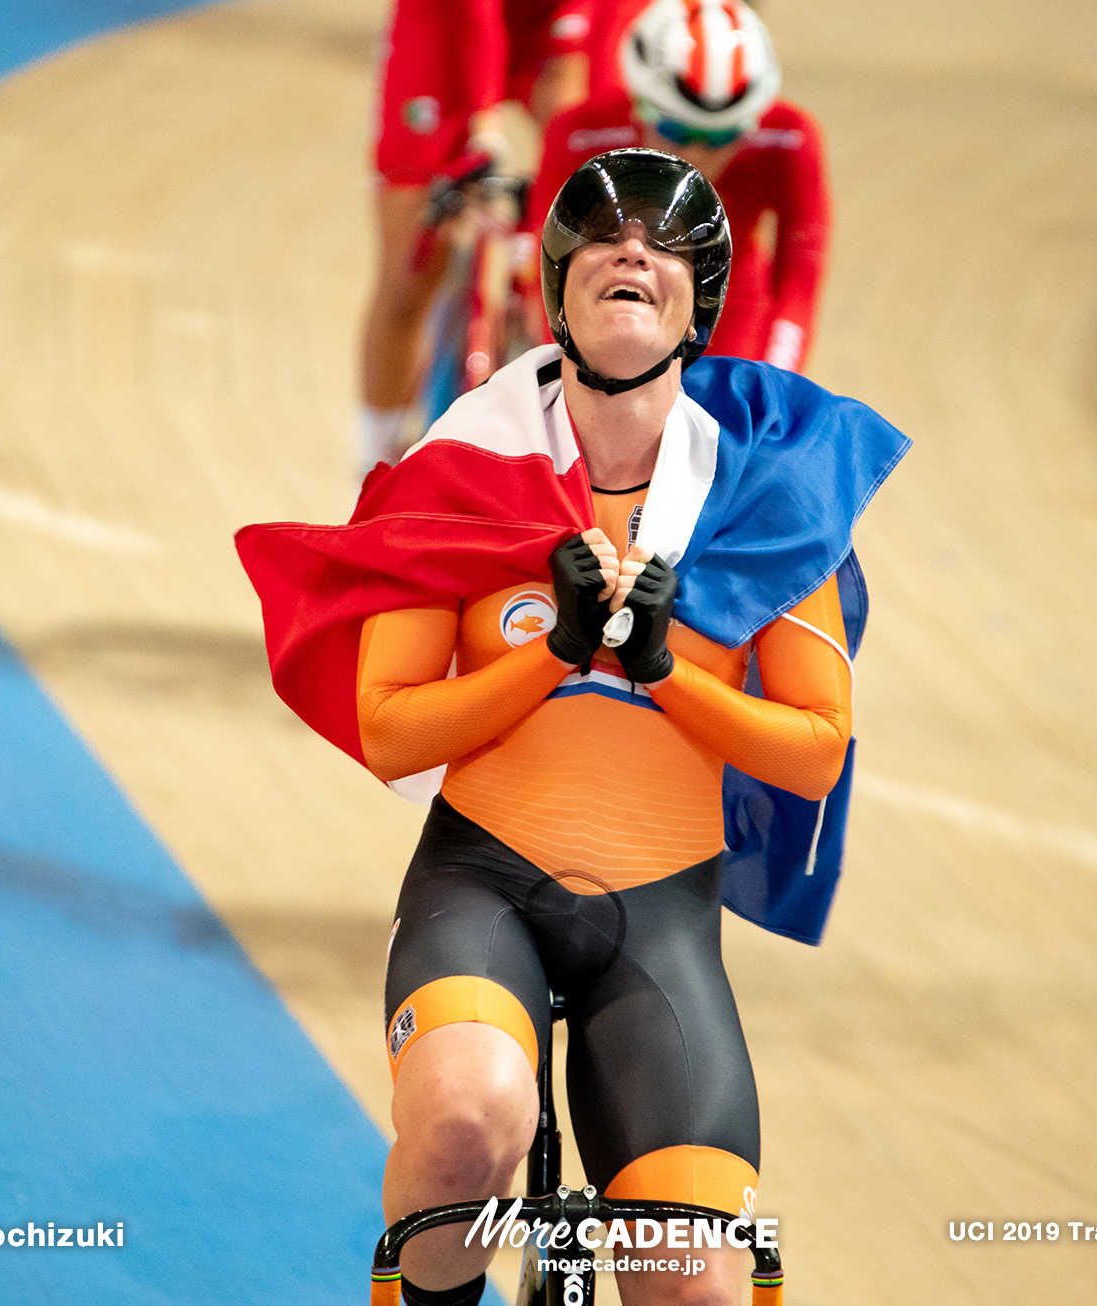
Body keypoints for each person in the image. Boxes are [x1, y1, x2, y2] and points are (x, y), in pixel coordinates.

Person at [238, 150, 906, 1306]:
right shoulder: (461, 471)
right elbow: (392, 730)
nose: (630, 248)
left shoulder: (771, 495)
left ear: (700, 296)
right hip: (483, 885)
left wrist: (660, 671)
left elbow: (813, 746)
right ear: (556, 287)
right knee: (463, 1131)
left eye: (660, 240)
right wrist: (554, 656)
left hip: (658, 922)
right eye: (600, 236)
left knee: (693, 1277)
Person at [358, 0, 599, 476]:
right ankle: (371, 465)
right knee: (407, 276)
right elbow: (472, 16)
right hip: (449, 20)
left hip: (560, 22)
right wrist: (482, 129)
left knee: (592, 182)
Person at [522, 0, 829, 373]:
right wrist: (561, 360)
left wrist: (779, 378)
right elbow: (551, 262)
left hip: (729, 308)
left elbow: (800, 269)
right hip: (614, 299)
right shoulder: (578, 135)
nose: (697, 154)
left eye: (722, 138)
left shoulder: (790, 138)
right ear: (639, 106)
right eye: (675, 131)